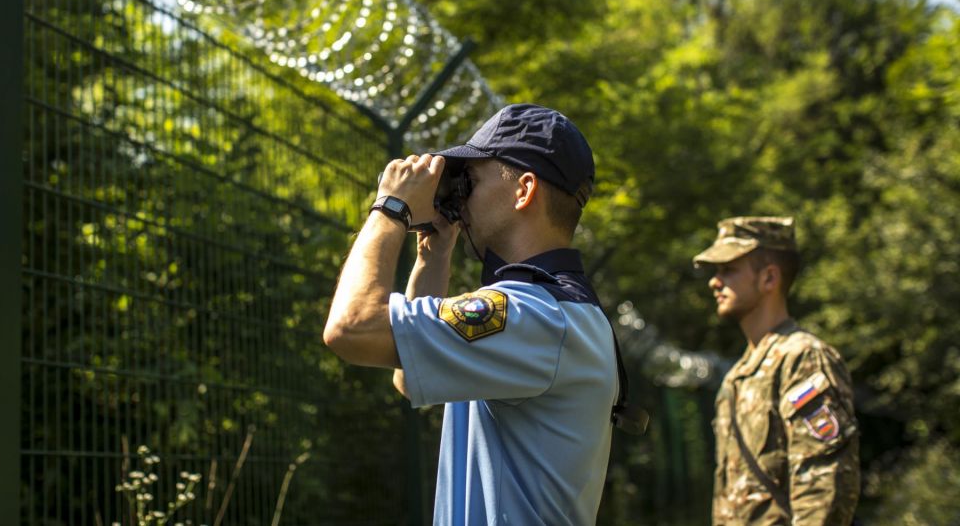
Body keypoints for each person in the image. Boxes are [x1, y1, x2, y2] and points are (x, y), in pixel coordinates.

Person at [324, 104, 622, 525]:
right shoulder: (558, 312)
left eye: (473, 181)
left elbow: (351, 329)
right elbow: (409, 377)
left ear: (524, 190)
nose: (463, 197)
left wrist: (390, 208)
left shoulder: (533, 315)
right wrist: (433, 256)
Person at [693, 217, 860, 525]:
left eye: (728, 269)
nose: (714, 281)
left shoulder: (803, 359)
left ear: (769, 278)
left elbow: (824, 486)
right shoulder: (738, 374)